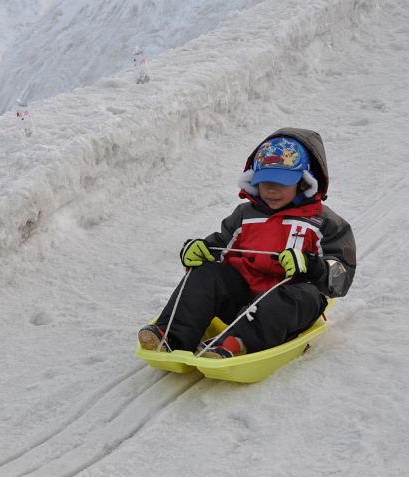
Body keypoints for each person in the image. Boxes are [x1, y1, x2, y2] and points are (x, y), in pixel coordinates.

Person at [138, 128, 356, 359]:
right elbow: (221, 248)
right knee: (206, 274)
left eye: (281, 183)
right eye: (264, 182)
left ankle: (233, 343)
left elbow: (341, 277)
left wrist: (310, 264)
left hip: (289, 310)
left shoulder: (324, 222)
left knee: (301, 295)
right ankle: (170, 335)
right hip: (242, 302)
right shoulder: (245, 214)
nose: (271, 189)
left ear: (303, 182)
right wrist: (199, 250)